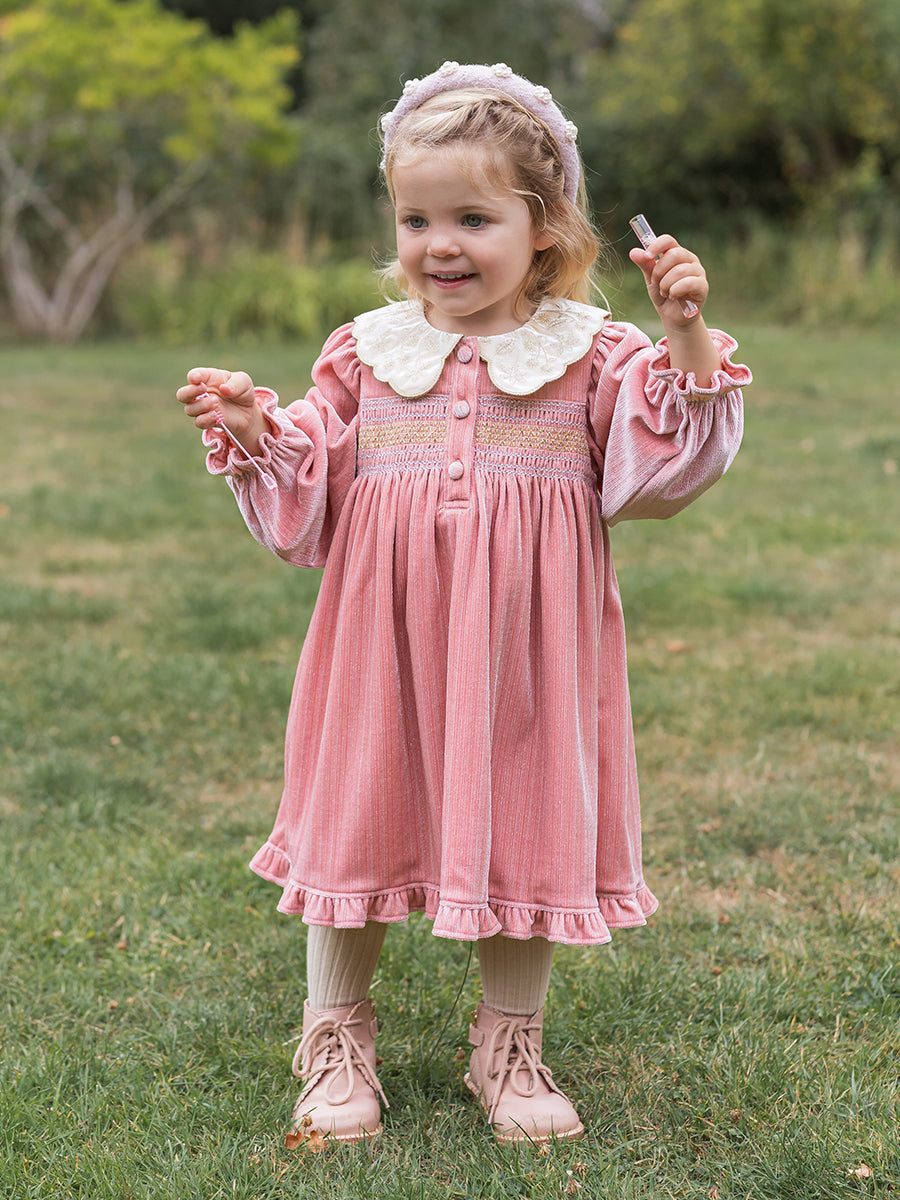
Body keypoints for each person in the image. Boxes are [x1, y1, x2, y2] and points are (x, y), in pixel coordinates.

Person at [176, 61, 750, 1145]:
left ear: (545, 229)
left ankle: (509, 1043)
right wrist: (255, 429)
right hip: (381, 640)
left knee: (526, 812)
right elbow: (309, 496)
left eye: (474, 219)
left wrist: (683, 330)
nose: (440, 244)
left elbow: (665, 470)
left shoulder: (593, 356)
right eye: (417, 219)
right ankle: (336, 1035)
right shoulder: (367, 351)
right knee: (362, 807)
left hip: (528, 644)